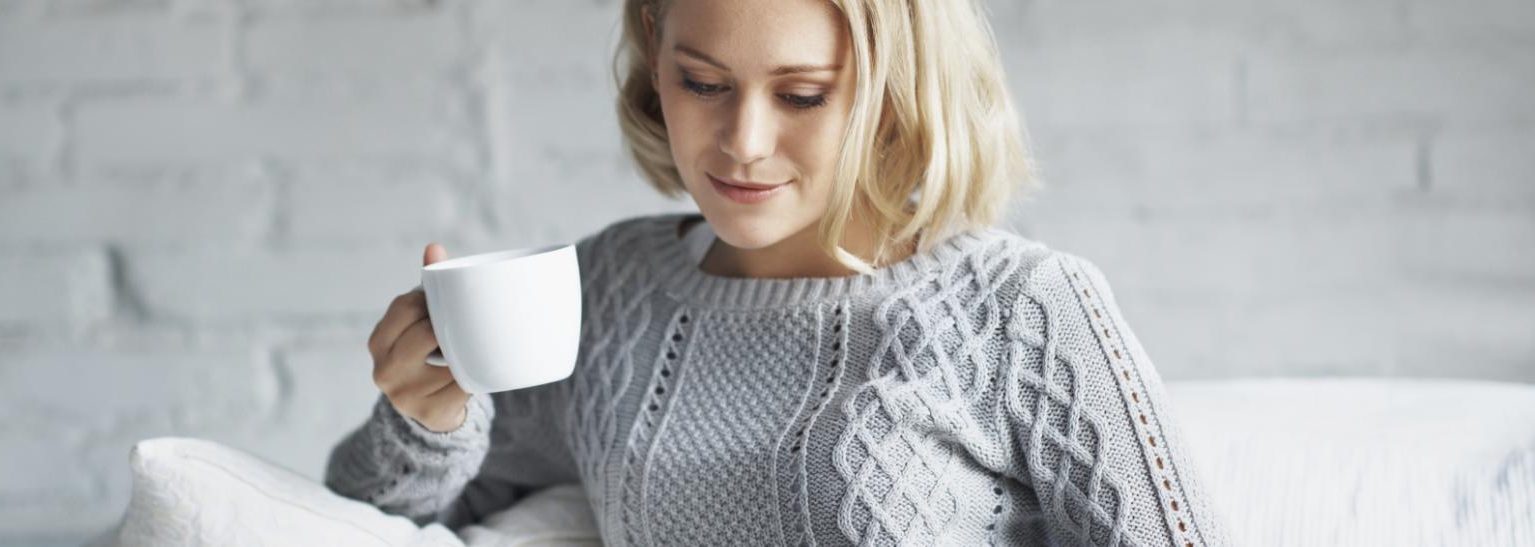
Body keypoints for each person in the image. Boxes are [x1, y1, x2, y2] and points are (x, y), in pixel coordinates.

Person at [326, 0, 1229, 544]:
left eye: (802, 95)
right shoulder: (609, 296)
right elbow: (368, 518)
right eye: (702, 83)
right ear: (655, 51)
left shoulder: (1021, 311)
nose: (742, 144)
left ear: (895, 92)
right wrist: (426, 417)